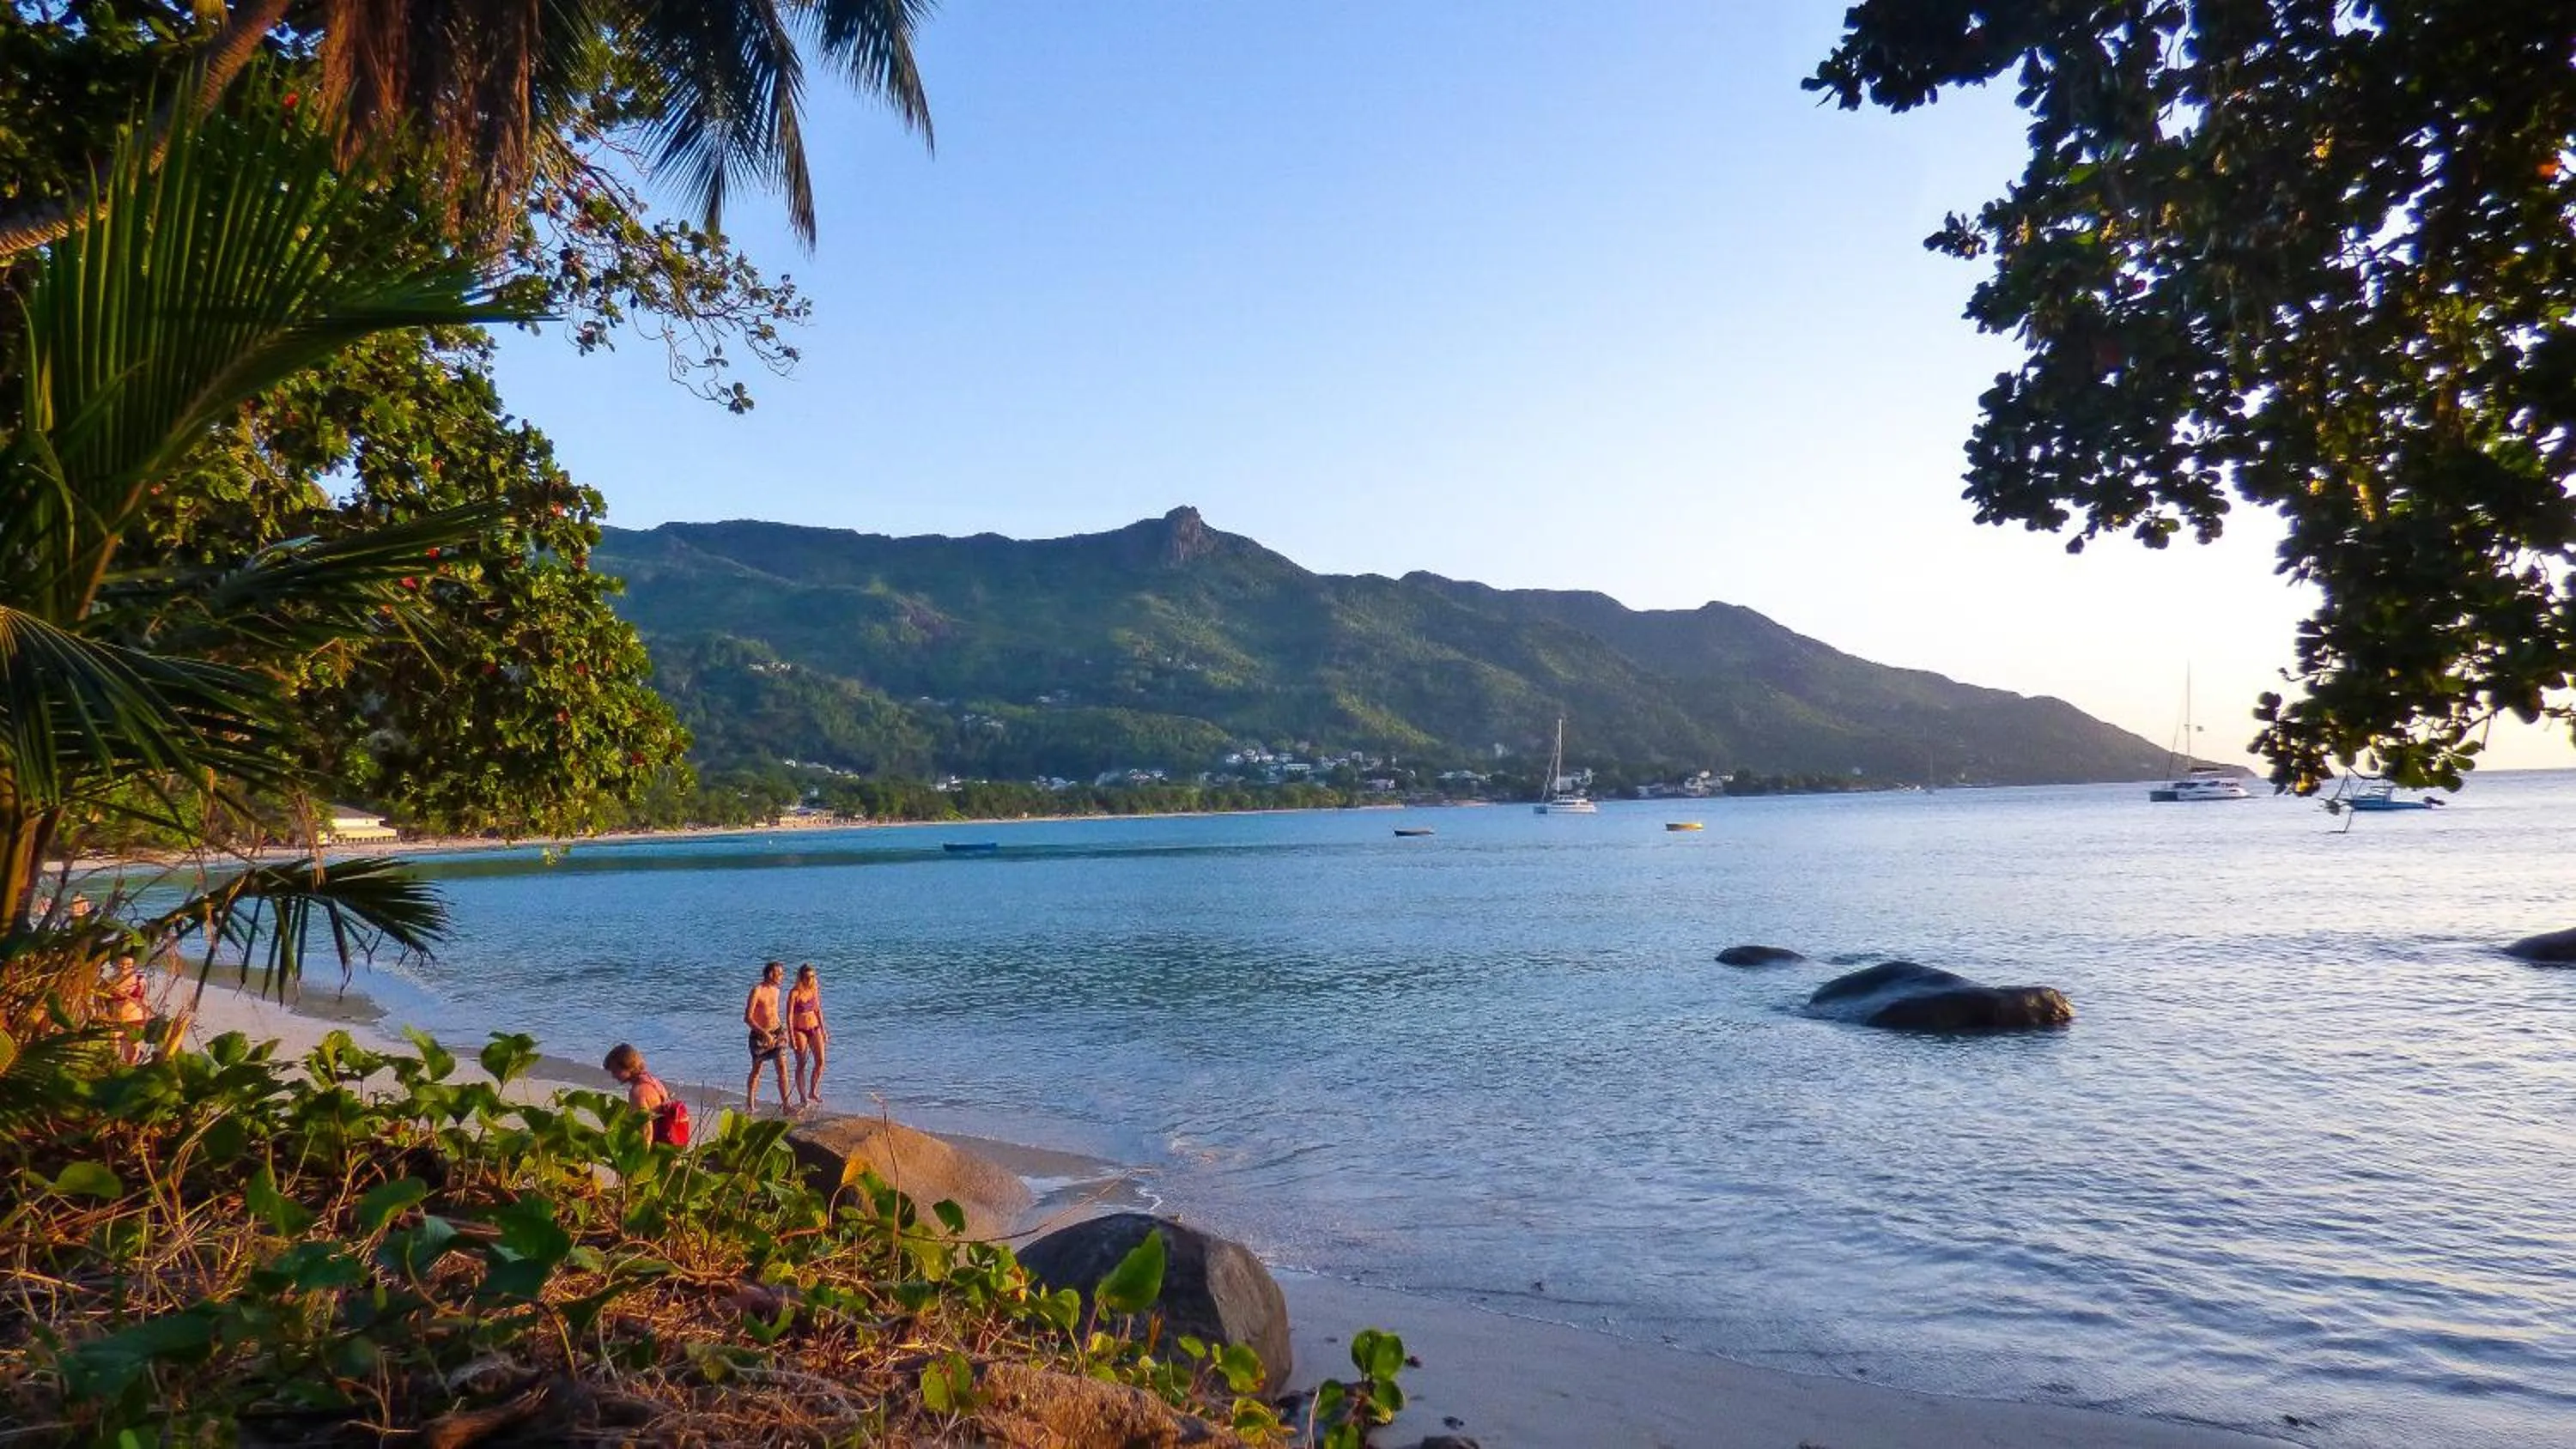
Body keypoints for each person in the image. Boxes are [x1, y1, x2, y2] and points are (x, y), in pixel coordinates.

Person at [603, 1043, 690, 1147]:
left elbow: (646, 1132)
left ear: (628, 1066)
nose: (613, 1076)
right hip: (668, 1145)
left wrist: (641, 1159)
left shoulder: (637, 1093)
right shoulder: (653, 1082)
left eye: (616, 1071)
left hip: (656, 1147)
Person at [743, 961, 792, 1112]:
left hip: (777, 1031)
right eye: (780, 973)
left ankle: (786, 1105)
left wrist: (784, 1031)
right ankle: (751, 1104)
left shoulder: (776, 990)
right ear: (771, 974)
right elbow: (748, 1018)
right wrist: (764, 1033)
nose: (782, 977)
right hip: (760, 1035)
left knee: (783, 1067)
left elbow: (774, 1013)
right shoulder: (757, 990)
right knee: (757, 1069)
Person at [787, 962, 829, 1109]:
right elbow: (789, 1016)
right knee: (802, 1062)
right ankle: (803, 1096)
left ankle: (813, 1091)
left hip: (814, 1027)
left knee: (821, 1061)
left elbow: (818, 1010)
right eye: (807, 977)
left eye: (812, 977)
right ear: (801, 977)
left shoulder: (814, 990)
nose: (810, 980)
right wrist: (791, 1036)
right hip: (799, 1030)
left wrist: (824, 1030)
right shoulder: (794, 993)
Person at [106, 953, 149, 1064]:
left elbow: (144, 999)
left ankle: (132, 1068)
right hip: (117, 1017)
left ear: (133, 965)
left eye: (128, 964)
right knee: (114, 1047)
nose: (124, 967)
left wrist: (146, 1016)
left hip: (135, 1016)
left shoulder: (140, 980)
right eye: (121, 964)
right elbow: (104, 1001)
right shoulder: (109, 981)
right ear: (116, 965)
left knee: (132, 1049)